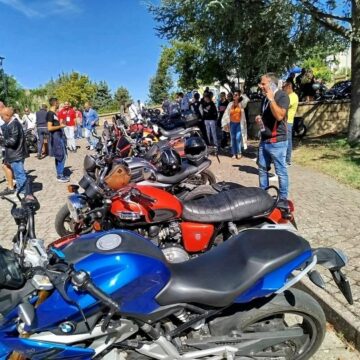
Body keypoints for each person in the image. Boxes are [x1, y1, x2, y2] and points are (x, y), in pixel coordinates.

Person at [255, 73, 290, 203]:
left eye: (263, 83)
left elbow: (280, 116)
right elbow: (265, 115)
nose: (260, 86)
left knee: (281, 172)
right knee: (262, 169)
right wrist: (259, 118)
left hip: (277, 141)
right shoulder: (265, 98)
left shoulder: (282, 96)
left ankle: (282, 199)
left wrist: (271, 99)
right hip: (264, 140)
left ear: (271, 84)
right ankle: (263, 197)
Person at [0, 107, 29, 195]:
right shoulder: (10, 124)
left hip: (16, 154)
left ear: (8, 115)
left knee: (19, 174)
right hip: (14, 153)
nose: (1, 118)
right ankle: (20, 189)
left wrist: (1, 140)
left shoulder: (14, 124)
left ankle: (24, 192)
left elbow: (12, 141)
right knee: (13, 170)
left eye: (2, 116)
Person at [47, 97, 69, 182]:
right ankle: (60, 175)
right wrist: (60, 126)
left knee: (59, 155)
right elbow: (49, 128)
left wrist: (61, 124)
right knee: (61, 156)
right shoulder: (50, 114)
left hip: (59, 136)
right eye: (58, 102)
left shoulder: (54, 113)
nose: (59, 104)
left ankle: (60, 173)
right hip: (56, 137)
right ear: (55, 103)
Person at [222, 90, 243, 159]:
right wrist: (226, 123)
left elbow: (247, 99)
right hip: (232, 123)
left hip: (239, 123)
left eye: (236, 95)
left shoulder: (242, 104)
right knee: (233, 138)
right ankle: (234, 153)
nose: (234, 96)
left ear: (239, 96)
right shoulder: (230, 104)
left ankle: (239, 152)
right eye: (234, 94)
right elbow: (226, 114)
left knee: (238, 137)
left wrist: (241, 97)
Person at [0, 101, 15, 195]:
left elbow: (6, 134)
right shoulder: (3, 118)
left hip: (6, 147)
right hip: (5, 146)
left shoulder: (3, 118)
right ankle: (12, 183)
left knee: (6, 166)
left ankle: (11, 186)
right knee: (6, 166)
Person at [282, 80, 299, 165]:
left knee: (288, 141)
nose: (283, 89)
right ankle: (284, 158)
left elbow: (285, 105)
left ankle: (287, 160)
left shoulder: (293, 96)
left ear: (289, 87)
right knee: (284, 141)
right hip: (284, 121)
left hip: (288, 122)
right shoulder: (288, 96)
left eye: (284, 87)